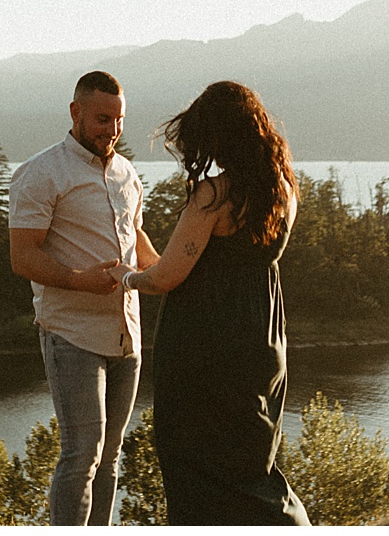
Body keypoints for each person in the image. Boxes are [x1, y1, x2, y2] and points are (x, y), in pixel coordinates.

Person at [108, 80, 309, 525]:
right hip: (262, 335)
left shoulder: (214, 195)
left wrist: (125, 276)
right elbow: (205, 264)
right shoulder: (283, 190)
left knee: (195, 463)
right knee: (250, 460)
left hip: (205, 344)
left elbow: (167, 277)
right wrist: (139, 240)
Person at [9, 70, 159, 525]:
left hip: (126, 336)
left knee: (110, 457)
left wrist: (174, 272)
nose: (111, 130)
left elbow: (137, 241)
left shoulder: (126, 173)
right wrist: (80, 280)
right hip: (71, 333)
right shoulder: (41, 173)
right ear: (75, 112)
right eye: (101, 118)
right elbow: (23, 257)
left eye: (118, 120)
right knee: (82, 455)